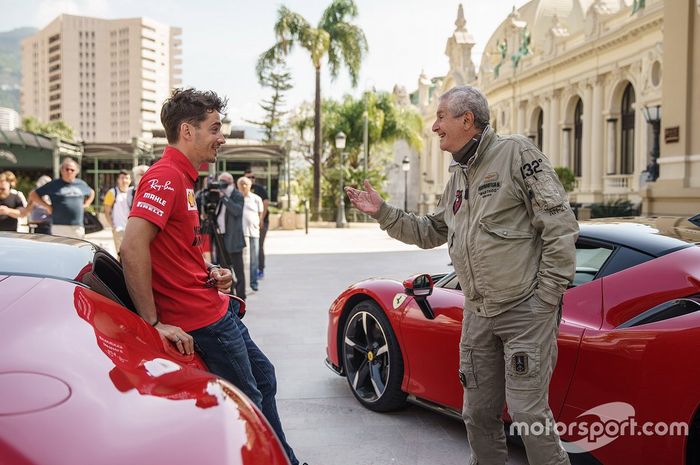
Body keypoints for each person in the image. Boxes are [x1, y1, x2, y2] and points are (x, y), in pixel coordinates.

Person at [346, 85, 578, 465]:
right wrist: (383, 212)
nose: (435, 126)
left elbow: (560, 226)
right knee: (476, 413)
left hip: (525, 311)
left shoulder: (516, 154)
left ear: (466, 120)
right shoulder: (459, 176)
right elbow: (430, 230)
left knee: (528, 414)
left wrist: (546, 299)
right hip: (479, 313)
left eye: (441, 117)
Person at [119, 88, 302, 465]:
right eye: (215, 128)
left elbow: (172, 250)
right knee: (248, 400)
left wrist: (209, 272)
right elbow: (132, 248)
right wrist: (153, 322)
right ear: (188, 131)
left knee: (264, 378)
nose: (222, 138)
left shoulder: (183, 179)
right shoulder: (165, 177)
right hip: (203, 321)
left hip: (214, 309)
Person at [29, 158, 95, 239]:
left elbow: (91, 192)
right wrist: (47, 206)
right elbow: (33, 195)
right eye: (67, 169)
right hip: (59, 225)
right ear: (62, 170)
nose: (69, 172)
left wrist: (87, 204)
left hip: (77, 226)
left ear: (76, 172)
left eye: (72, 170)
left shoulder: (81, 184)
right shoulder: (54, 184)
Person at [214, 172, 247, 300]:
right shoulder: (218, 195)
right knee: (225, 270)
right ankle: (230, 297)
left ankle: (241, 297)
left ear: (231, 182)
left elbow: (237, 211)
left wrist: (224, 198)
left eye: (224, 181)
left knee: (238, 271)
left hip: (234, 239)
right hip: (220, 237)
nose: (221, 184)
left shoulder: (237, 195)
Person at [237, 175, 264, 292]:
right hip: (240, 233)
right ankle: (242, 284)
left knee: (254, 259)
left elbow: (260, 213)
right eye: (241, 184)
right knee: (241, 260)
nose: (243, 186)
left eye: (245, 184)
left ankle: (253, 283)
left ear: (250, 186)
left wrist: (258, 223)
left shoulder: (256, 198)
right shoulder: (236, 198)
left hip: (253, 232)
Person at [244, 169, 269, 279]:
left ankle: (260, 269)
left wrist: (261, 219)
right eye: (248, 177)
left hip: (261, 223)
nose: (251, 179)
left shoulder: (259, 189)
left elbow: (265, 203)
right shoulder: (242, 189)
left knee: (259, 246)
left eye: (252, 177)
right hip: (247, 225)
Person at [103, 169, 132, 255]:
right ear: (118, 180)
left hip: (131, 228)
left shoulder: (133, 192)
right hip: (119, 229)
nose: (124, 180)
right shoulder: (112, 192)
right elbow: (107, 211)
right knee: (121, 254)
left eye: (126, 178)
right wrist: (113, 226)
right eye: (122, 178)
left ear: (130, 180)